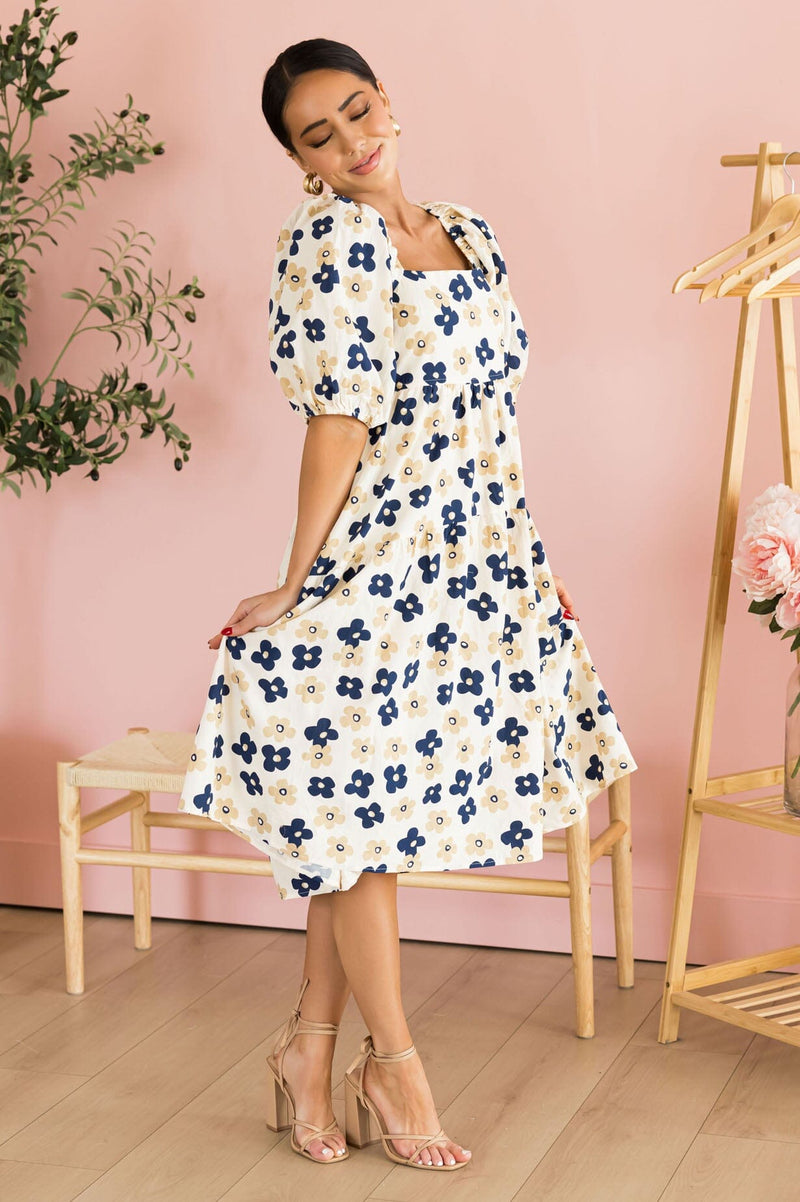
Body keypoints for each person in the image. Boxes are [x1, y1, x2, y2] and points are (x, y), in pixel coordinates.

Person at [178, 36, 638, 1171]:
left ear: (388, 101)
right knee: (358, 820)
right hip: (379, 560)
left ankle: (307, 1048)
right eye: (317, 136)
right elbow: (337, 425)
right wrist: (296, 581)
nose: (350, 142)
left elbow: (492, 419)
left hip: (470, 560)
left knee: (355, 823)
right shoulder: (329, 244)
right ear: (299, 161)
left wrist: (522, 555)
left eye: (357, 110)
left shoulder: (468, 232)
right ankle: (395, 1065)